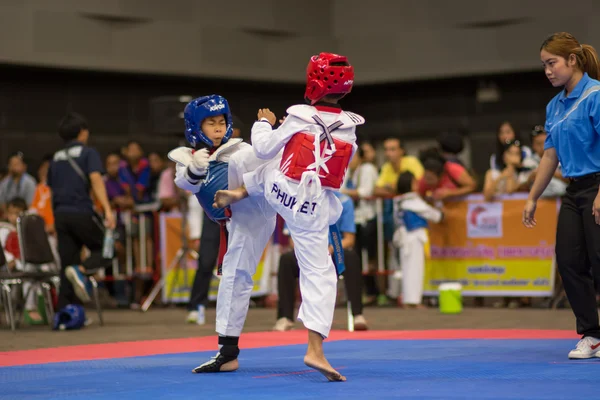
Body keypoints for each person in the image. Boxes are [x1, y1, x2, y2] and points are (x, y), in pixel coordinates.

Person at [214, 52, 363, 382]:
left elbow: (264, 147)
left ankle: (241, 191)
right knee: (319, 274)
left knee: (269, 162)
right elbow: (337, 172)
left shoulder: (299, 115)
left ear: (312, 82)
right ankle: (315, 349)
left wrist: (265, 123)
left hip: (281, 191)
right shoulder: (351, 129)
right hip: (313, 207)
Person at [168, 95, 277, 372]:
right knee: (233, 277)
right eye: (210, 123)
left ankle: (228, 353)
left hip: (253, 211)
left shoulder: (240, 151)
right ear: (196, 126)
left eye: (221, 121)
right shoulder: (187, 157)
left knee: (235, 277)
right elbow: (185, 182)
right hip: (233, 221)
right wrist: (195, 169)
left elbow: (265, 161)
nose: (218, 128)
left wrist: (268, 130)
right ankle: (228, 351)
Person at [522, 32, 600, 359]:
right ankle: (592, 336)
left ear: (572, 60)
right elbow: (549, 157)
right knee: (568, 260)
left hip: (598, 186)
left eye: (552, 63)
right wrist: (532, 197)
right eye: (544, 65)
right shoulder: (554, 106)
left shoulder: (595, 95)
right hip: (574, 190)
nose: (548, 71)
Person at [48, 112, 116, 312]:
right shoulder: (88, 153)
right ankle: (82, 270)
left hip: (60, 214)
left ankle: (64, 314)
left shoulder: (55, 157)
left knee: (66, 265)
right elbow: (96, 180)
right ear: (82, 132)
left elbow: (52, 188)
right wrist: (108, 210)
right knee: (107, 248)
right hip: (81, 211)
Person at [275, 191, 367, 331]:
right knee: (286, 260)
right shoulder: (297, 200)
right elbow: (292, 239)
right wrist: (310, 250)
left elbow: (349, 238)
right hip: (307, 251)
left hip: (333, 252)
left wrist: (330, 250)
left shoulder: (343, 201)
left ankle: (357, 315)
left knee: (351, 258)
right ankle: (285, 317)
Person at [393, 172, 443, 308]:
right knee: (415, 270)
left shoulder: (399, 201)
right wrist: (441, 213)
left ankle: (409, 300)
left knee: (407, 269)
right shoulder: (412, 201)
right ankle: (414, 301)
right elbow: (435, 215)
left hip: (405, 238)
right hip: (414, 237)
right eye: (415, 182)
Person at [522, 125, 567, 198]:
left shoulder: (561, 158)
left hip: (562, 199)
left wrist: (549, 172)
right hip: (539, 202)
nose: (543, 147)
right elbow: (520, 187)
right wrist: (530, 178)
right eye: (538, 143)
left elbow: (571, 180)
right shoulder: (528, 162)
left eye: (545, 142)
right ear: (533, 145)